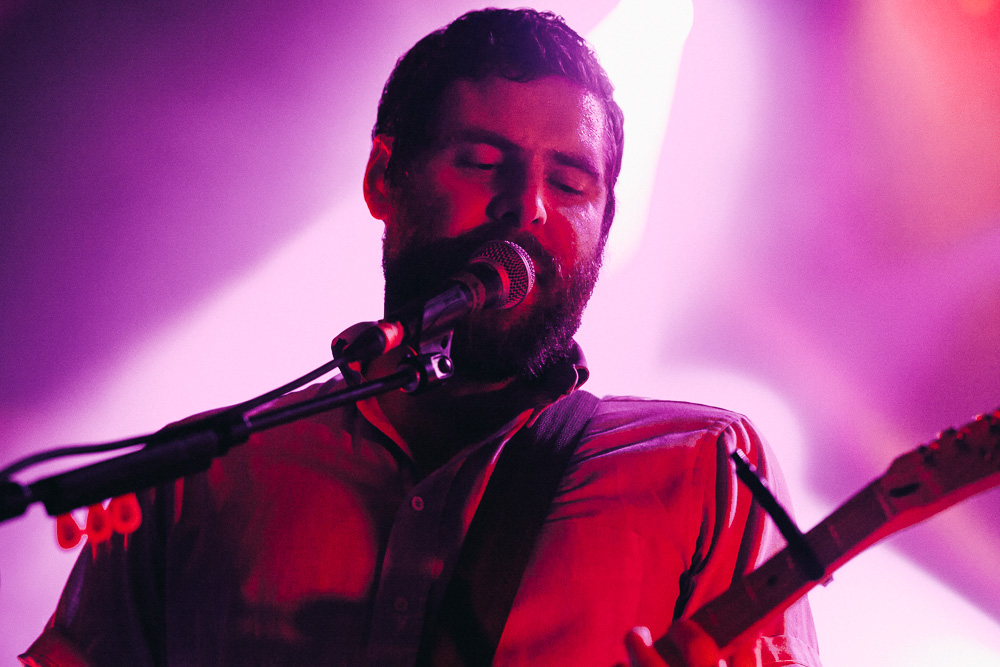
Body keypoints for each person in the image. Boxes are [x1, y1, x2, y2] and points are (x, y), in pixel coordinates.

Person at [21, 8, 821, 667]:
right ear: (382, 177)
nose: (526, 207)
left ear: (605, 224)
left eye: (569, 182)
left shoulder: (707, 470)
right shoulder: (202, 472)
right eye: (481, 161)